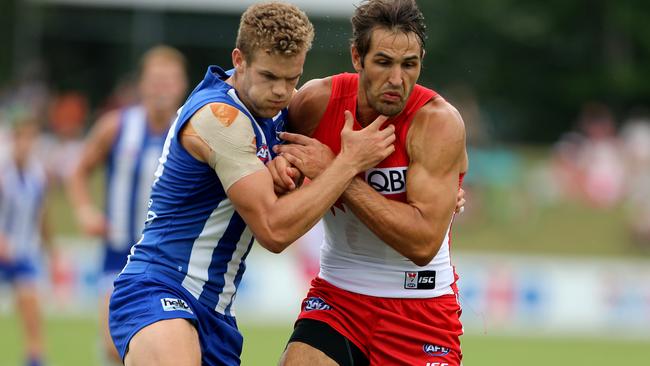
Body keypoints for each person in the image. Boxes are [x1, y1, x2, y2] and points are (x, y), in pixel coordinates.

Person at [107, 2, 396, 366]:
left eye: (292, 79)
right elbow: (273, 230)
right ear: (239, 60)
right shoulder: (220, 118)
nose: (281, 92)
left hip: (217, 310)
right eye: (269, 77)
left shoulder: (271, 110)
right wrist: (347, 164)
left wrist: (443, 189)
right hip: (161, 287)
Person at [276, 1, 469, 365]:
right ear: (356, 57)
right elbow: (274, 203)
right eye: (383, 62)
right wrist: (280, 172)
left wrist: (338, 171)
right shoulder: (315, 103)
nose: (397, 79)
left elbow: (423, 243)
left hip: (420, 309)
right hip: (338, 298)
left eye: (409, 64)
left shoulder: (438, 123)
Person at [67, 45, 189, 364]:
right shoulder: (116, 126)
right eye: (155, 81)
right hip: (118, 254)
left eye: (169, 81)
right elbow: (78, 171)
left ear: (181, 86)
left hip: (169, 258)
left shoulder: (191, 132)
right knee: (114, 344)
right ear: (143, 84)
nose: (161, 89)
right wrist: (84, 210)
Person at [0, 108, 53, 366]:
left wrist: (51, 250)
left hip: (23, 252)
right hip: (2, 250)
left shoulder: (38, 176)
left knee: (32, 317)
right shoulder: (2, 170)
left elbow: (42, 216)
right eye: (21, 137)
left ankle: (34, 360)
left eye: (30, 138)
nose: (25, 144)